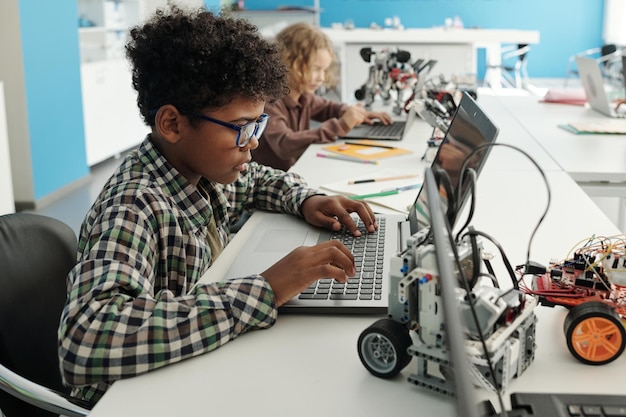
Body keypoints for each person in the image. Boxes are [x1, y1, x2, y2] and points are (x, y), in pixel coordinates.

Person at [58, 6, 378, 406]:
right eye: (244, 128)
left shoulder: (203, 169)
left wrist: (308, 199)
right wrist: (265, 290)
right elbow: (86, 339)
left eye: (259, 125)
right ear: (173, 124)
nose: (255, 143)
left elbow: (260, 179)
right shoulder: (133, 205)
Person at [251, 22, 393, 171]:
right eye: (316, 69)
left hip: (291, 174)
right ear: (289, 62)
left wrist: (358, 114)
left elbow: (329, 108)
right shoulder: (270, 102)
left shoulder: (304, 97)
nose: (321, 78)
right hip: (267, 186)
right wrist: (340, 126)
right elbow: (284, 144)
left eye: (324, 70)